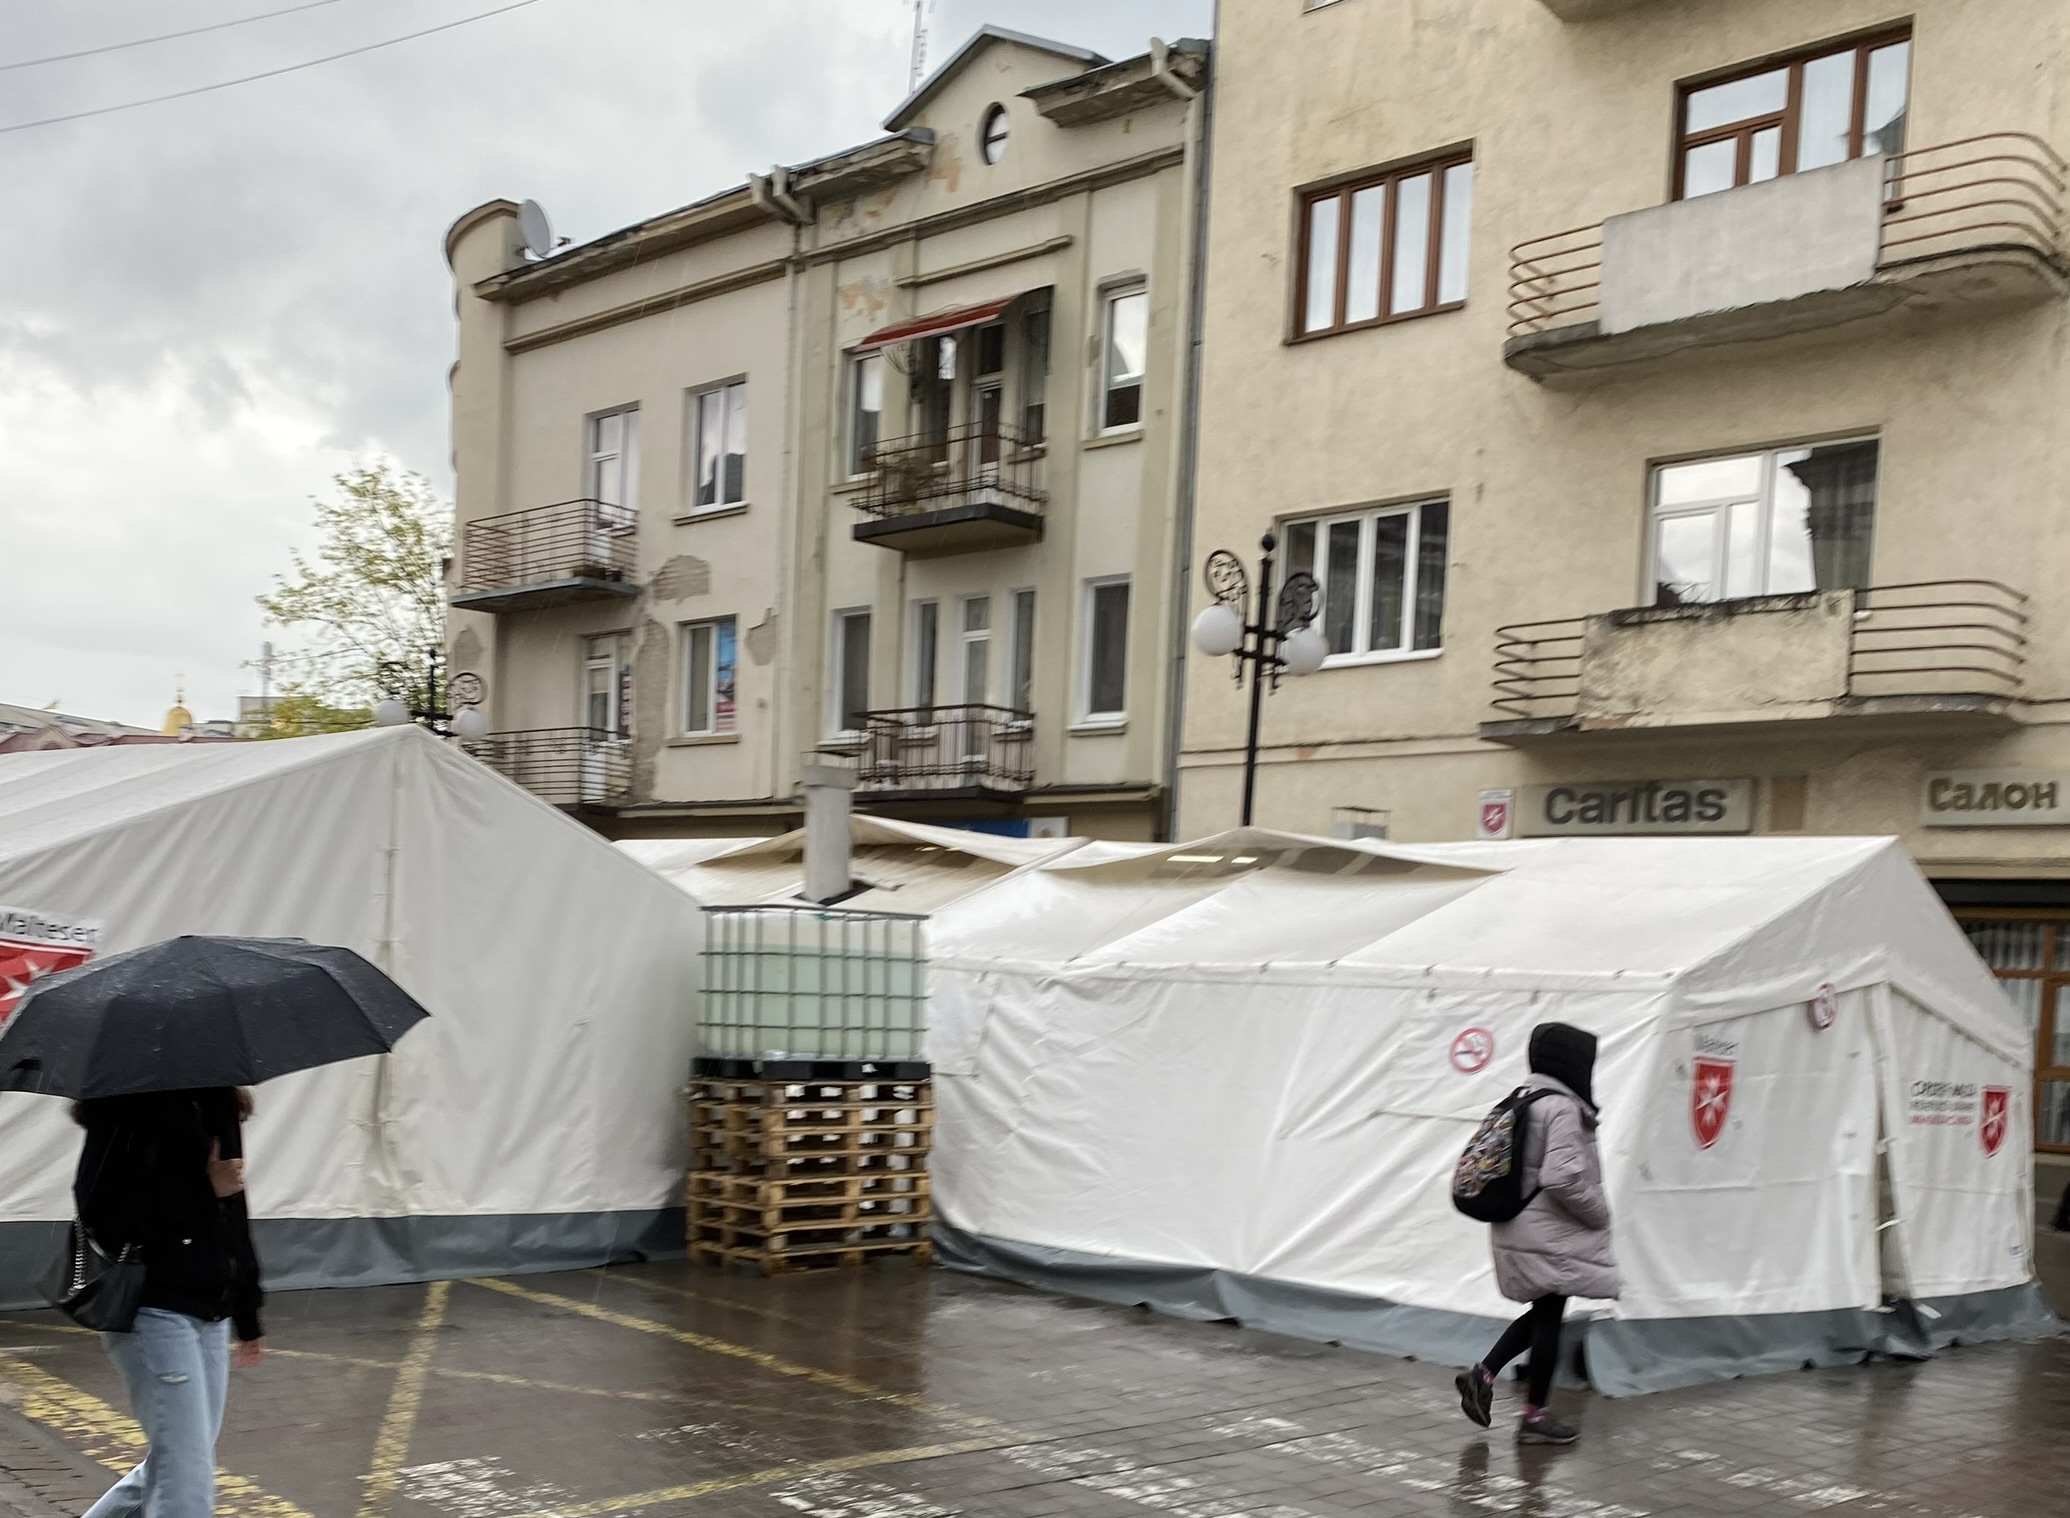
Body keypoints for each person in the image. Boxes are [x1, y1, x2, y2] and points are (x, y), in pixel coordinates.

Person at [72, 1087, 264, 1517]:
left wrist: (247, 1309)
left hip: (211, 1310)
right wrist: (204, 1190)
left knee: (179, 1461)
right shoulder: (124, 1104)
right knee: (186, 1480)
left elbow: (233, 1212)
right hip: (153, 1308)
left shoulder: (218, 1100)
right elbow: (101, 1212)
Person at [1455, 1023, 1617, 1446]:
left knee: (1545, 1311)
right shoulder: (1561, 1106)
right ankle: (1534, 1417)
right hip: (1548, 1230)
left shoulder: (1523, 1097)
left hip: (1522, 1224)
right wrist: (1599, 1214)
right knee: (1549, 1318)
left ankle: (1483, 1376)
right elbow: (1563, 1176)